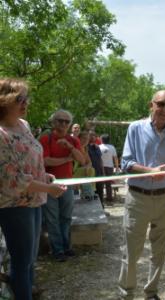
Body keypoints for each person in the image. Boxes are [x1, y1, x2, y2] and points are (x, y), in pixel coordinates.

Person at [0, 78, 65, 300]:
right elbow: (13, 179)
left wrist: (44, 175)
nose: (25, 102)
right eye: (20, 98)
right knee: (21, 261)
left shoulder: (24, 125)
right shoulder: (1, 133)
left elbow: (32, 161)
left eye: (26, 98)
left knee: (29, 261)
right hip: (15, 205)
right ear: (4, 100)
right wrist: (47, 188)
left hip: (35, 200)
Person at [118, 90, 165, 300]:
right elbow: (126, 163)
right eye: (161, 104)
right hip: (138, 198)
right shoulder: (135, 128)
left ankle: (151, 293)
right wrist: (150, 172)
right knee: (132, 250)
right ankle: (127, 293)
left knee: (159, 250)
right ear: (151, 105)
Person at [40, 109, 85, 262]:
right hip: (49, 184)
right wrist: (67, 158)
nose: (63, 124)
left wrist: (70, 147)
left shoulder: (73, 141)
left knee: (66, 217)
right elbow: (45, 161)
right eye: (60, 121)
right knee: (52, 219)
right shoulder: (46, 139)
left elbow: (82, 160)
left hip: (67, 184)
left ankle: (67, 247)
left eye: (67, 121)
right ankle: (57, 250)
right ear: (53, 122)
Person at [99, 134, 119, 205]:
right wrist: (117, 168)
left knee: (100, 183)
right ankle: (109, 198)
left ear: (101, 139)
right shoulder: (112, 147)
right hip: (110, 167)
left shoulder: (99, 147)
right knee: (108, 184)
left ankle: (101, 198)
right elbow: (115, 158)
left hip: (101, 167)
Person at [88, 130, 105, 206]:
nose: (92, 136)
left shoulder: (97, 147)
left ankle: (102, 207)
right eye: (90, 135)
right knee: (91, 192)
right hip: (90, 173)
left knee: (100, 191)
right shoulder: (85, 147)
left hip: (99, 172)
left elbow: (100, 159)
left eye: (94, 135)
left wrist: (103, 171)